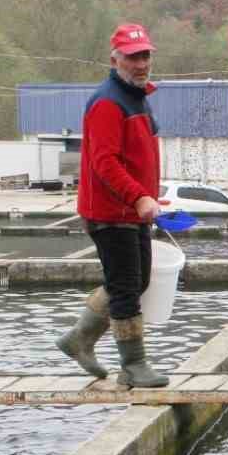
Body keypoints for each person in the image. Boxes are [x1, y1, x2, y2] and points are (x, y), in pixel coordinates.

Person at [57, 22, 169, 388]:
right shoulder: (107, 102)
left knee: (136, 282)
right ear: (115, 59)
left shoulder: (136, 97)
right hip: (111, 212)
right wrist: (138, 196)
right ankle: (133, 365)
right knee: (125, 287)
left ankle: (79, 339)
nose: (141, 63)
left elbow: (136, 158)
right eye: (133, 57)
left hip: (131, 210)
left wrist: (149, 194)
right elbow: (105, 162)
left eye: (145, 55)